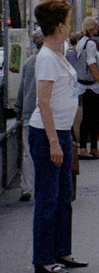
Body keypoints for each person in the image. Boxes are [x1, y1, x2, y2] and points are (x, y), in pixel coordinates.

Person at [27, 0, 87, 273]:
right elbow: (44, 102)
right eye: (68, 21)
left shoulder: (58, 53)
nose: (70, 26)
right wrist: (53, 141)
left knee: (64, 197)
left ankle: (62, 250)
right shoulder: (48, 58)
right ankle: (43, 258)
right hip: (46, 134)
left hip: (61, 132)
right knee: (48, 198)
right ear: (60, 26)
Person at [75, 17, 99, 157]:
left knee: (88, 117)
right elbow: (92, 65)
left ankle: (86, 148)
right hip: (92, 86)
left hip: (84, 85)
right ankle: (91, 148)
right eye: (97, 27)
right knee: (94, 117)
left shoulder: (82, 42)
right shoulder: (90, 44)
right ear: (91, 28)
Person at [14, 28, 44, 201]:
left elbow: (21, 91)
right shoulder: (53, 61)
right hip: (45, 115)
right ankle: (43, 185)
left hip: (28, 114)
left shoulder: (29, 63)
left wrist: (19, 110)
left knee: (28, 153)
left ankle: (27, 187)